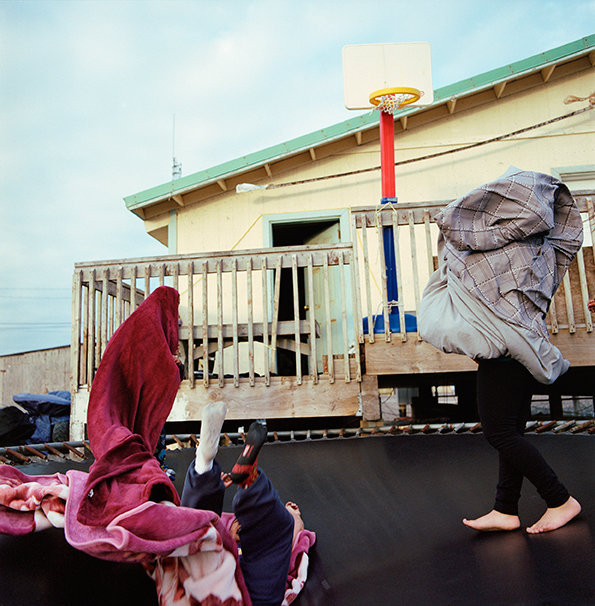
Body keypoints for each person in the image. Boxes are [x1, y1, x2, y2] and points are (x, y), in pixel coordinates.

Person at [419, 168, 586, 534]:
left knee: (500, 433)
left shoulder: (504, 246)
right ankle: (505, 508)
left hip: (504, 353)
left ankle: (559, 499)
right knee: (512, 430)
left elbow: (461, 247)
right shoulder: (539, 247)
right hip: (521, 348)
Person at [181, 401, 307, 606]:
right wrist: (294, 516)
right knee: (279, 536)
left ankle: (203, 467)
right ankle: (249, 486)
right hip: (249, 596)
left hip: (210, 581)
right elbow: (293, 534)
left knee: (195, 538)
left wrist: (228, 541)